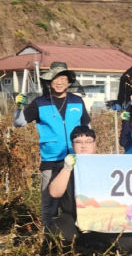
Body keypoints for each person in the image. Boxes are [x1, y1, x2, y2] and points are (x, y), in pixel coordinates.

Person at [13, 61, 91, 232]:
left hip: (76, 159)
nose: (59, 82)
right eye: (55, 78)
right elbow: (19, 123)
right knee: (49, 202)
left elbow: (87, 128)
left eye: (63, 78)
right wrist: (19, 107)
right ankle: (48, 237)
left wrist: (89, 153)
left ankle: (78, 234)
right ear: (50, 81)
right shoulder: (40, 103)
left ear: (68, 81)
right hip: (51, 160)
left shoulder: (77, 101)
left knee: (78, 198)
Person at [48, 125, 132, 254]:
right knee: (60, 235)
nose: (83, 146)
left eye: (88, 141)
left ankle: (96, 247)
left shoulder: (107, 164)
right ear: (72, 145)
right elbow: (55, 192)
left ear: (95, 145)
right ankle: (85, 247)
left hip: (105, 217)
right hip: (74, 217)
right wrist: (67, 168)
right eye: (78, 142)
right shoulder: (64, 165)